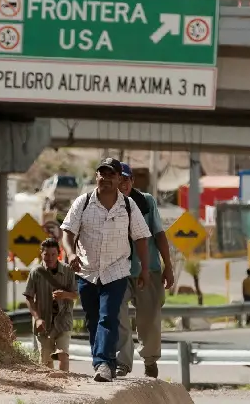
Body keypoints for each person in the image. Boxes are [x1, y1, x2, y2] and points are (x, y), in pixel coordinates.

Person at [61, 157, 152, 382]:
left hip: (117, 270)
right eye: (102, 173)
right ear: (96, 177)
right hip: (87, 271)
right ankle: (105, 362)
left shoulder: (128, 206)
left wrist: (144, 269)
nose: (106, 178)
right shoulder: (82, 203)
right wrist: (71, 254)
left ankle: (102, 364)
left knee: (108, 317)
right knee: (93, 320)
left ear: (119, 179)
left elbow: (141, 238)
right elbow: (67, 232)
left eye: (111, 174)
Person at [115, 163, 175, 379]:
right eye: (118, 179)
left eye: (126, 179)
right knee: (117, 314)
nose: (122, 184)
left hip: (148, 269)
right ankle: (122, 361)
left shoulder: (146, 201)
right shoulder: (106, 204)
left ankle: (150, 361)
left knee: (149, 319)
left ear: (132, 181)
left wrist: (168, 266)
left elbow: (159, 235)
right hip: (119, 271)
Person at [23, 238, 78, 372]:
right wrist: (37, 319)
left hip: (63, 320)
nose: (49, 258)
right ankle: (52, 388)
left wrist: (65, 295)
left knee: (63, 355)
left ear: (58, 254)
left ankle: (64, 382)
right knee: (46, 362)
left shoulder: (68, 271)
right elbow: (29, 298)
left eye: (53, 254)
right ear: (41, 254)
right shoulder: (35, 272)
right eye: (46, 254)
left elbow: (76, 295)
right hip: (44, 323)